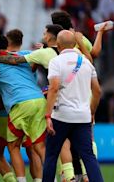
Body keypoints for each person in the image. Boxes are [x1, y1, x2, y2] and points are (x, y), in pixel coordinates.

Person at [43, 30, 103, 182]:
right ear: (74, 43)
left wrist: (48, 115)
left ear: (58, 44)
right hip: (82, 117)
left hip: (61, 116)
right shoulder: (86, 62)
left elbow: (54, 88)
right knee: (89, 157)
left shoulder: (56, 62)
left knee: (51, 156)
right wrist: (91, 111)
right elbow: (97, 91)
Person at [0, 30, 47, 182]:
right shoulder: (26, 54)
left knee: (13, 146)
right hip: (38, 100)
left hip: (19, 103)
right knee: (38, 147)